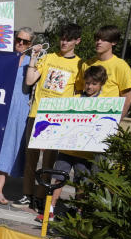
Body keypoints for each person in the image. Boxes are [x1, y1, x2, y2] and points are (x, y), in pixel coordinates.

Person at [13, 22, 83, 210]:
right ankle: (27, 195)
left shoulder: (80, 64)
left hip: (58, 119)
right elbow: (29, 80)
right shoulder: (48, 57)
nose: (64, 42)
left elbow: (79, 93)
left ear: (77, 41)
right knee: (31, 159)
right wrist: (34, 57)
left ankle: (40, 196)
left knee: (50, 162)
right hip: (37, 113)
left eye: (68, 39)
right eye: (62, 38)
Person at [37, 65, 108, 222]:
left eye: (94, 84)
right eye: (87, 83)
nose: (89, 86)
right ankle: (50, 209)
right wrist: (45, 137)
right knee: (58, 179)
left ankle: (79, 212)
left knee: (81, 183)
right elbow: (59, 120)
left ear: (101, 84)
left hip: (87, 152)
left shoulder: (105, 103)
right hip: (66, 150)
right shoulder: (74, 99)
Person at [0, 27, 34, 204]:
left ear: (31, 44)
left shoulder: (33, 62)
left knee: (8, 149)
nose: (21, 44)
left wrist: (36, 57)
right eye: (18, 39)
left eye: (25, 41)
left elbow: (31, 82)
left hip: (18, 110)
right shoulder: (4, 57)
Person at [83, 25, 131, 123]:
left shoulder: (121, 66)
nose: (99, 42)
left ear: (113, 42)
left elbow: (127, 100)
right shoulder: (87, 64)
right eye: (97, 39)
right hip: (86, 119)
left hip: (107, 120)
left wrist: (115, 123)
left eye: (104, 40)